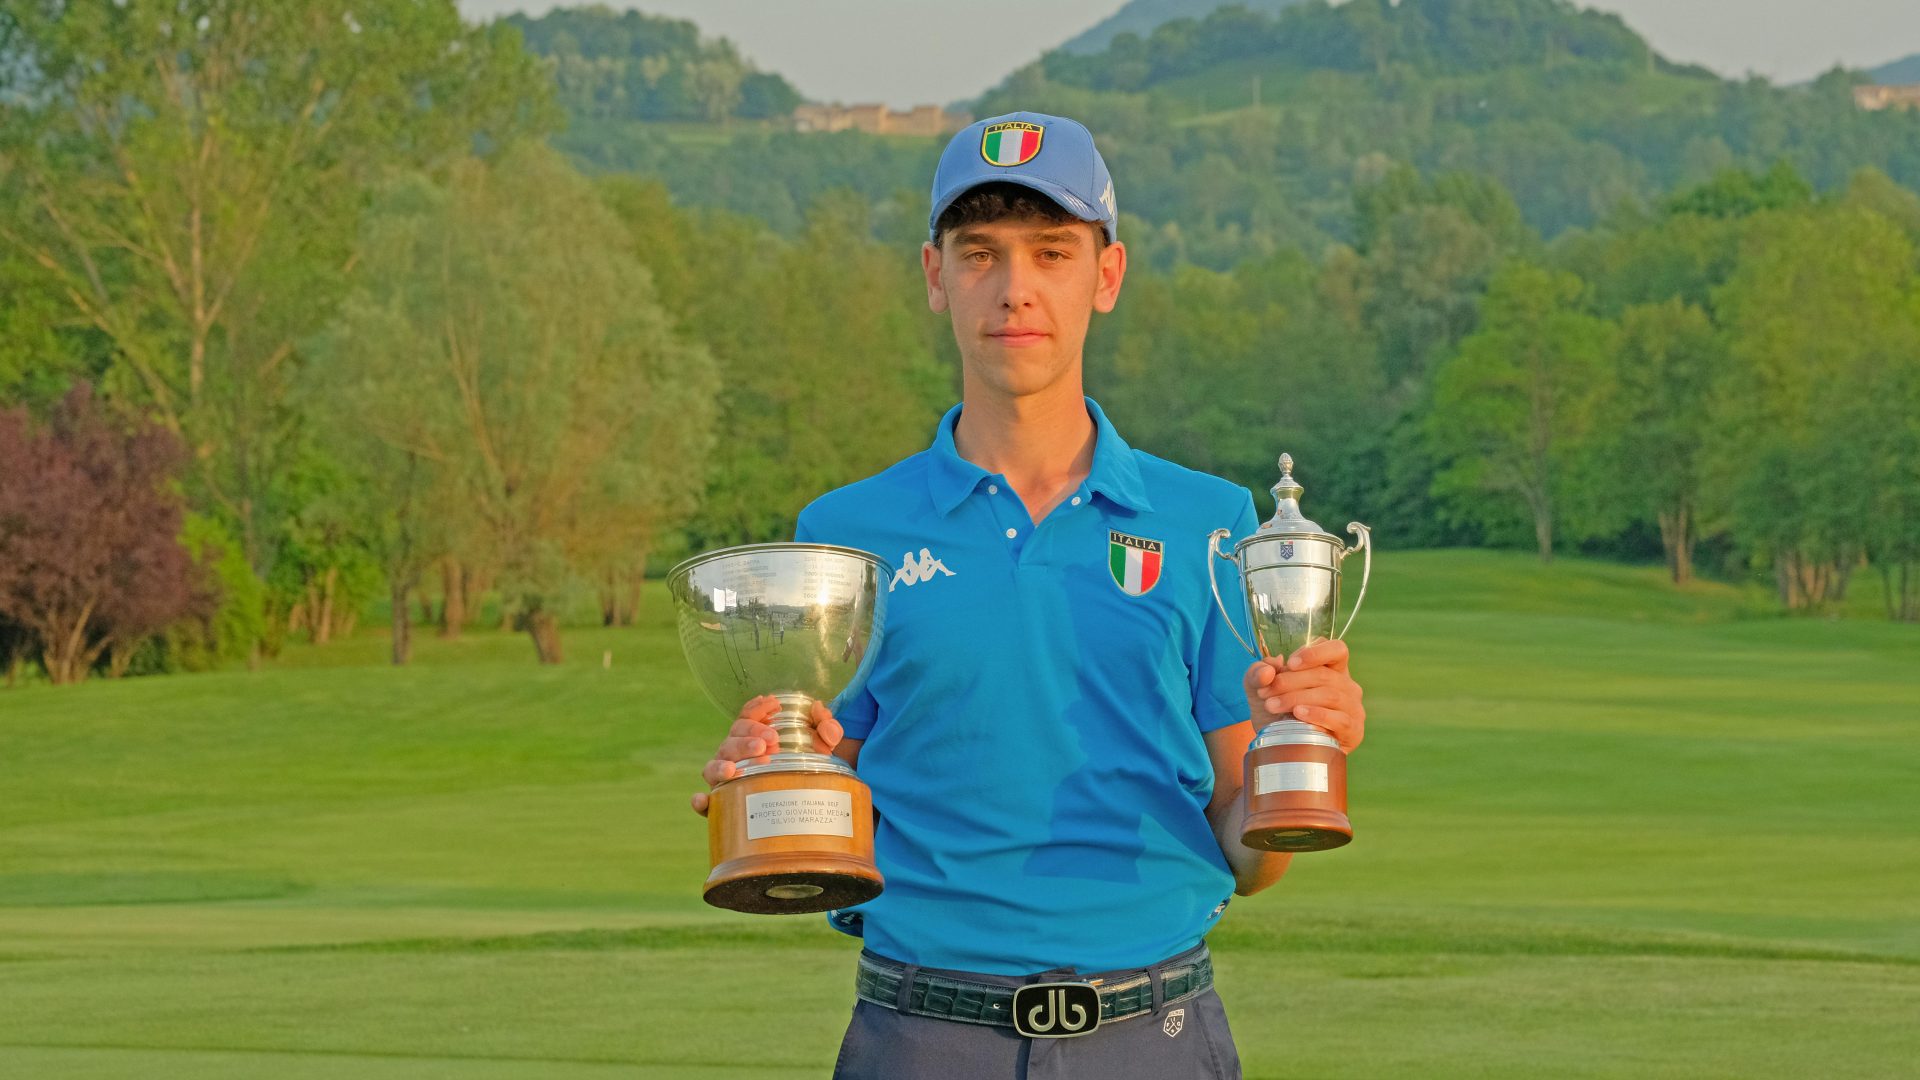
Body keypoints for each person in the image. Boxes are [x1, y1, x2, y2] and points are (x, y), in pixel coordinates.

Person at [690, 111, 1367, 1079]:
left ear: (1107, 275)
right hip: (921, 1036)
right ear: (935, 276)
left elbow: (1248, 857)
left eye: (1052, 252)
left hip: (1154, 1036)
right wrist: (765, 780)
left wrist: (1297, 754)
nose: (1015, 288)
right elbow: (834, 812)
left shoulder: (1211, 522)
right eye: (980, 253)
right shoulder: (846, 532)